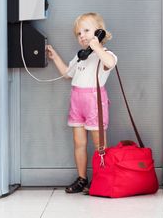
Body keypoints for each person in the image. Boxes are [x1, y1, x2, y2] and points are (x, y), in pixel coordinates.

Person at [46, 13, 117, 192]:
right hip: (77, 102)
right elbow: (67, 73)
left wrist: (97, 46)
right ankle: (82, 179)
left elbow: (110, 62)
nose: (82, 35)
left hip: (94, 102)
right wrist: (55, 57)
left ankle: (101, 178)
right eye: (79, 33)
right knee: (79, 143)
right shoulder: (80, 57)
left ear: (99, 32)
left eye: (86, 30)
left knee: (100, 146)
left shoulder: (105, 55)